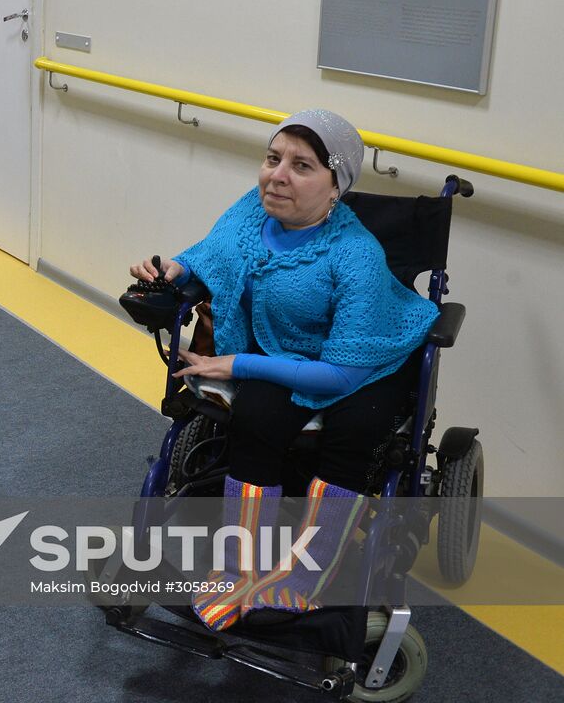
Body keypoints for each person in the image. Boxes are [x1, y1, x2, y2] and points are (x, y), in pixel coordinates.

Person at [129, 109, 439, 631]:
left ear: (335, 186)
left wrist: (235, 362)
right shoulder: (254, 211)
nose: (278, 175)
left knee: (354, 435)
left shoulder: (355, 255)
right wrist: (175, 268)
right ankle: (239, 570)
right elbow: (215, 251)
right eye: (273, 159)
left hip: (369, 361)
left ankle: (306, 577)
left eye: (302, 166)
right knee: (256, 419)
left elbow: (341, 376)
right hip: (287, 352)